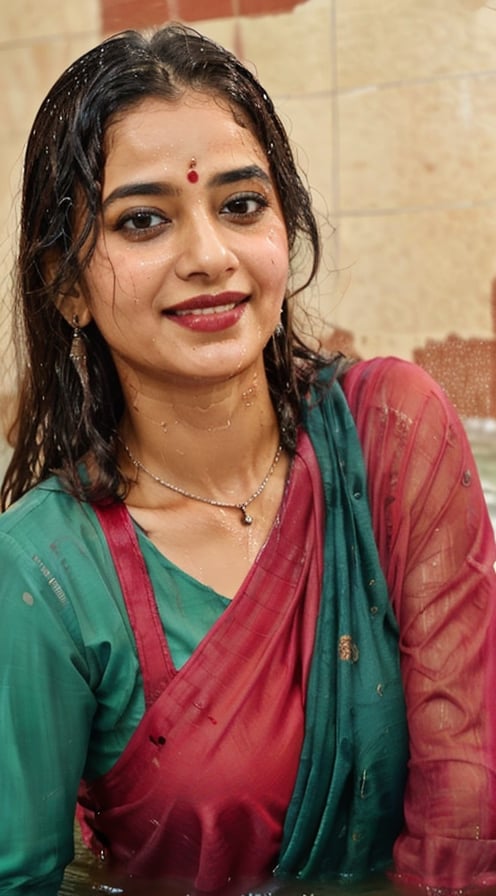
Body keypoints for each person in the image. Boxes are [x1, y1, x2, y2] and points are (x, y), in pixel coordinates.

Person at [0, 22, 495, 896]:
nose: (210, 257)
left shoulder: (393, 435)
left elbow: (467, 799)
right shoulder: (43, 569)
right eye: (143, 220)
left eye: (241, 205)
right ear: (67, 285)